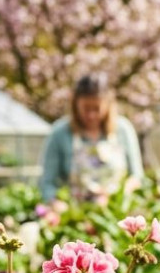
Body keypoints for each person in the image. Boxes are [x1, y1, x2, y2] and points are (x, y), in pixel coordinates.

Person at [39, 73, 144, 203]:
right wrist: (56, 203)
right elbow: (47, 182)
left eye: (97, 108)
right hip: (75, 214)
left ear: (108, 104)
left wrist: (122, 193)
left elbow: (137, 176)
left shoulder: (123, 129)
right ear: (75, 104)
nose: (91, 115)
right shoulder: (60, 133)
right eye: (86, 109)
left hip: (117, 209)